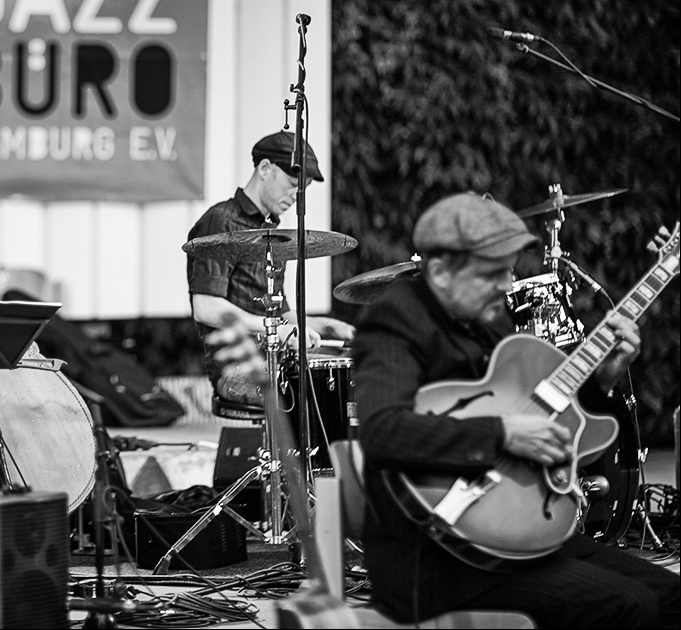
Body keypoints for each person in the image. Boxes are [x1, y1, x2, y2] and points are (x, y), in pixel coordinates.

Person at [350, 192, 677, 628]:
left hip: (515, 531)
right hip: (434, 556)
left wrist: (603, 379)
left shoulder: (493, 319)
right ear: (441, 272)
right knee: (625, 604)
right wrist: (502, 434)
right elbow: (382, 432)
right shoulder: (396, 320)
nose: (508, 285)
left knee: (672, 596)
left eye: (508, 271)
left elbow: (554, 418)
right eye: (492, 274)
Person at [186, 130, 355, 406]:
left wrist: (327, 326)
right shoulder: (220, 222)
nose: (296, 195)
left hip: (278, 359)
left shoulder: (273, 234)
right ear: (265, 168)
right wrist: (275, 329)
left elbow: (283, 314)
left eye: (303, 189)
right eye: (291, 183)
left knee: (347, 379)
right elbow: (206, 307)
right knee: (309, 392)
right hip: (238, 367)